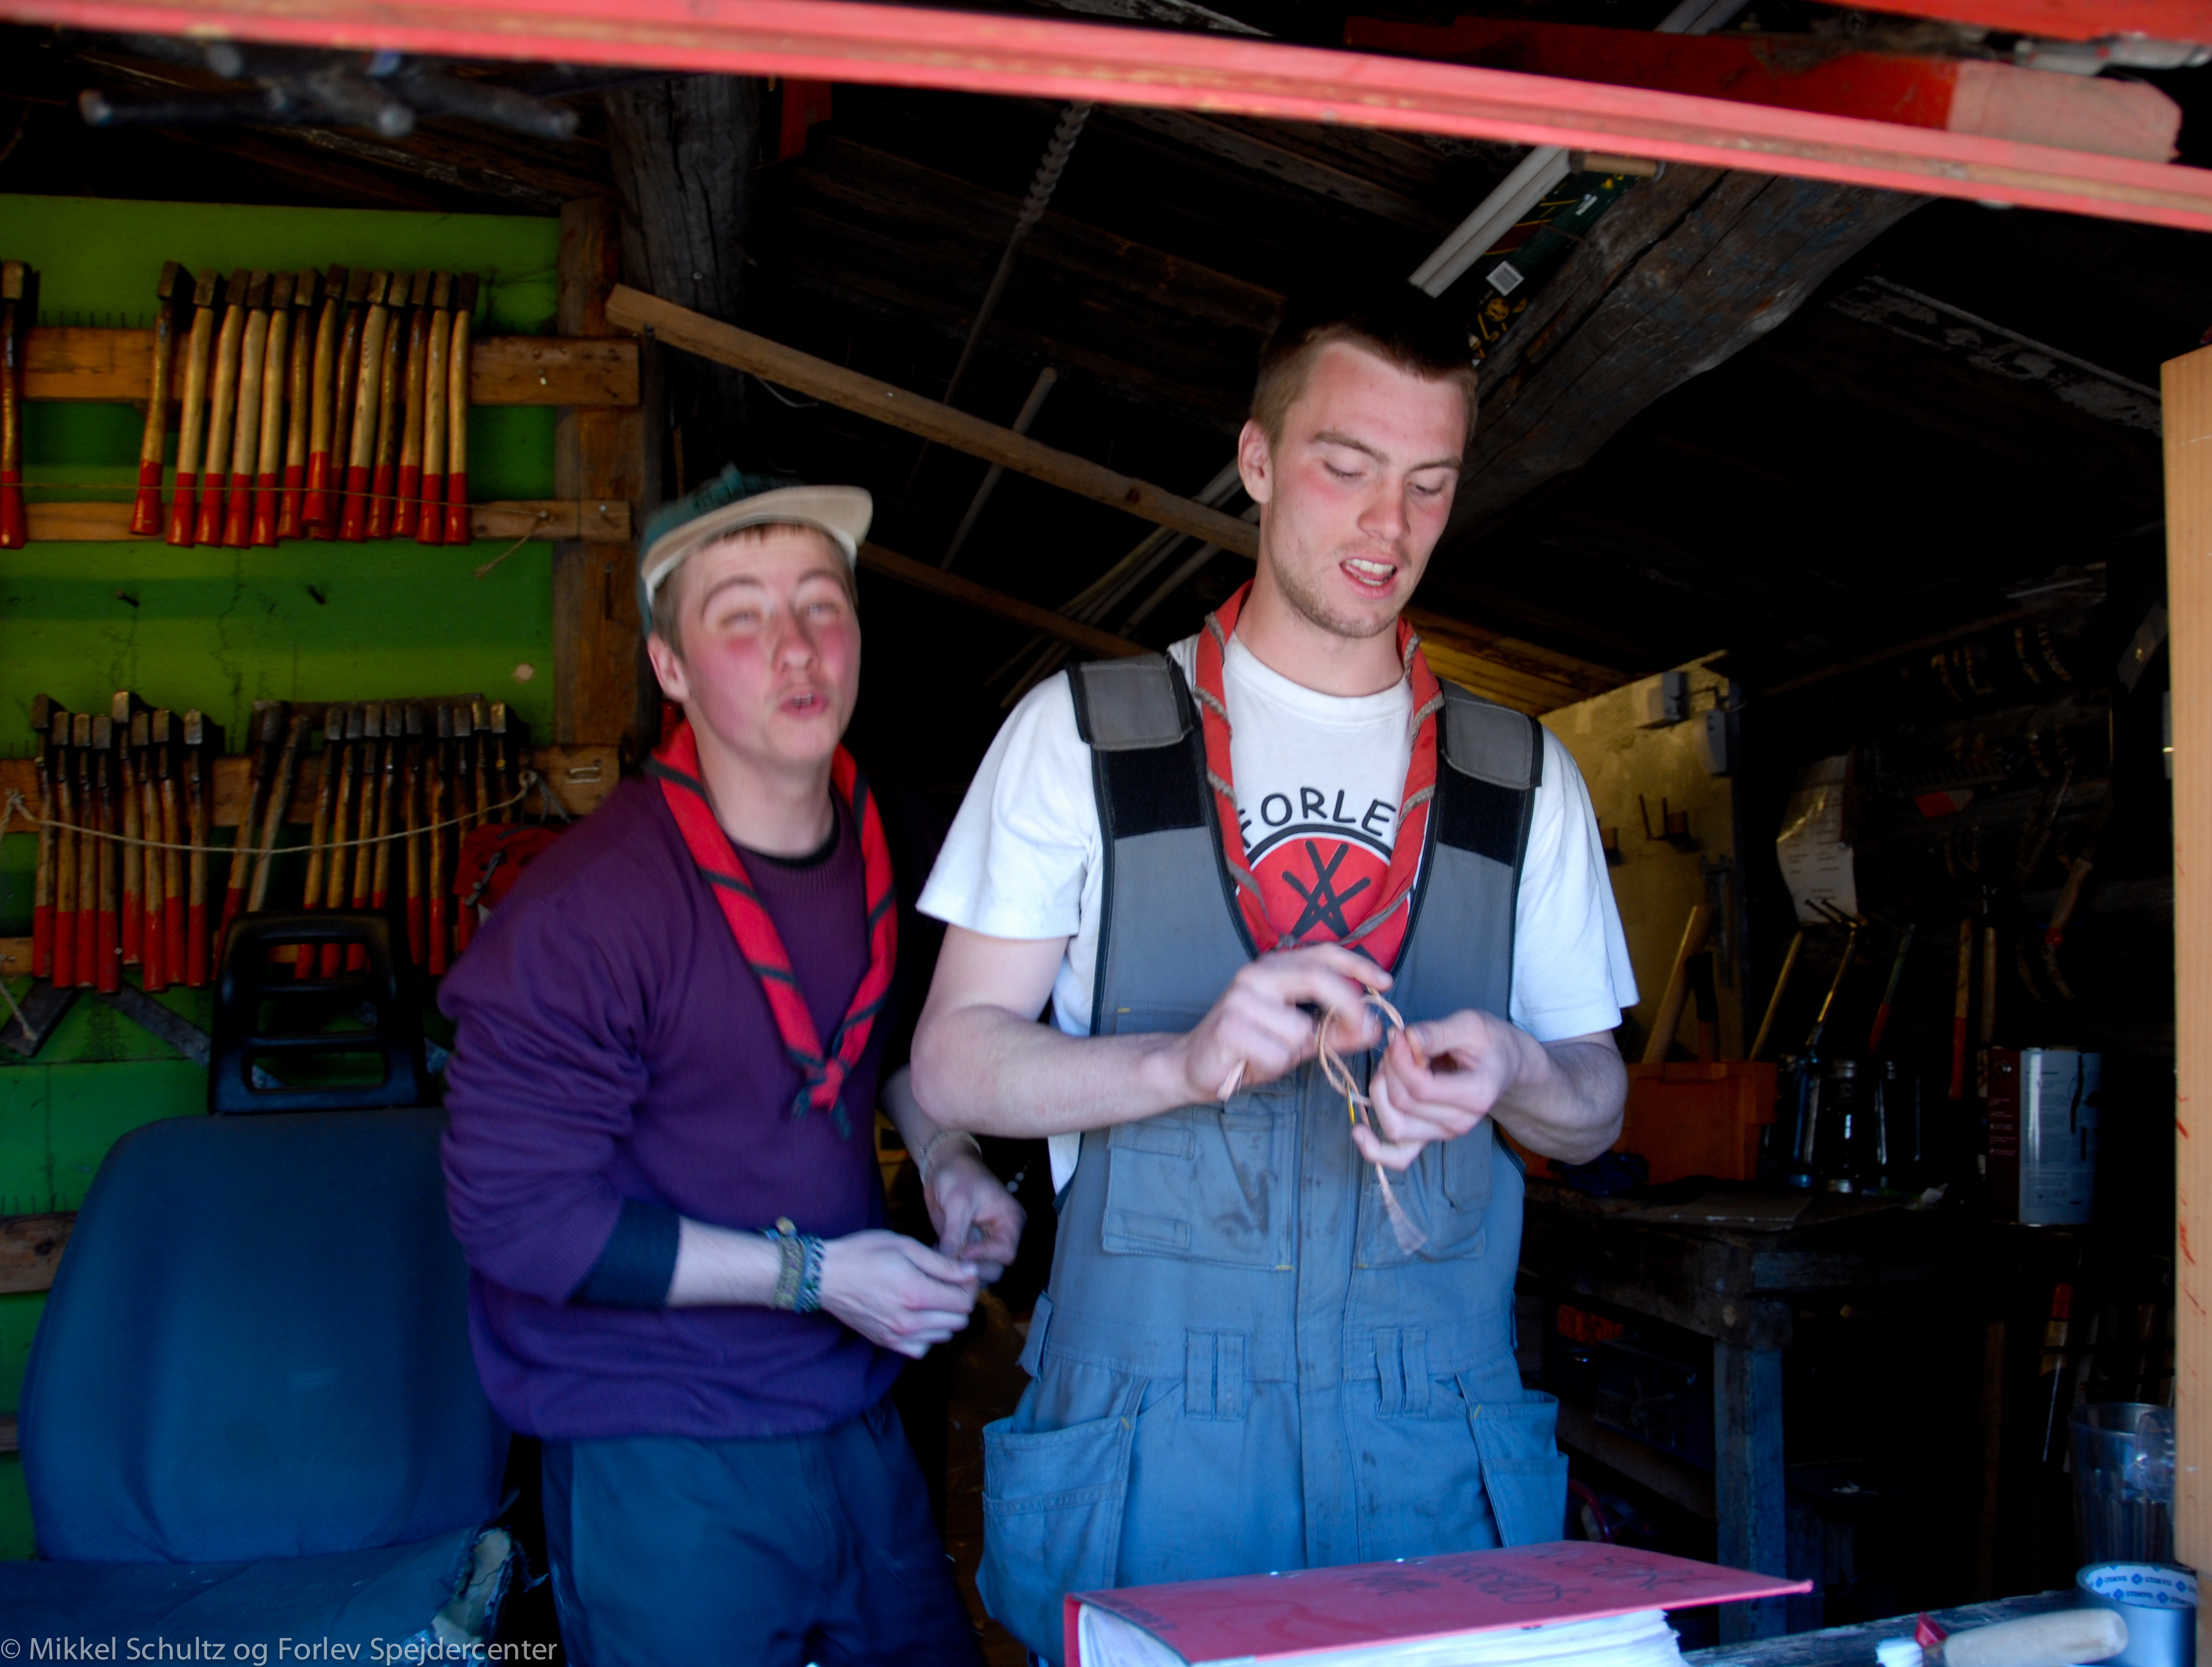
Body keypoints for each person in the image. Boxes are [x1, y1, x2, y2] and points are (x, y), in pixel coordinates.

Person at [910, 300, 1638, 1657]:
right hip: (1155, 1463)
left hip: (1427, 1461)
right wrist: (1177, 1063)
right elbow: (953, 1060)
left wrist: (1521, 1069)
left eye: (1429, 483)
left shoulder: (1520, 778)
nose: (1387, 524)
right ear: (1255, 459)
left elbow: (1595, 1110)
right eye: (1344, 466)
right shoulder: (1084, 738)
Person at [439, 467, 1023, 1667]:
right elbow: (517, 1221)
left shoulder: (897, 833)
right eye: (741, 617)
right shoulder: (587, 915)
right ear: (671, 668)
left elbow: (894, 1040)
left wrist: (950, 1157)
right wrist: (814, 1274)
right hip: (658, 1438)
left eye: (821, 605)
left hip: (854, 1409)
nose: (796, 649)